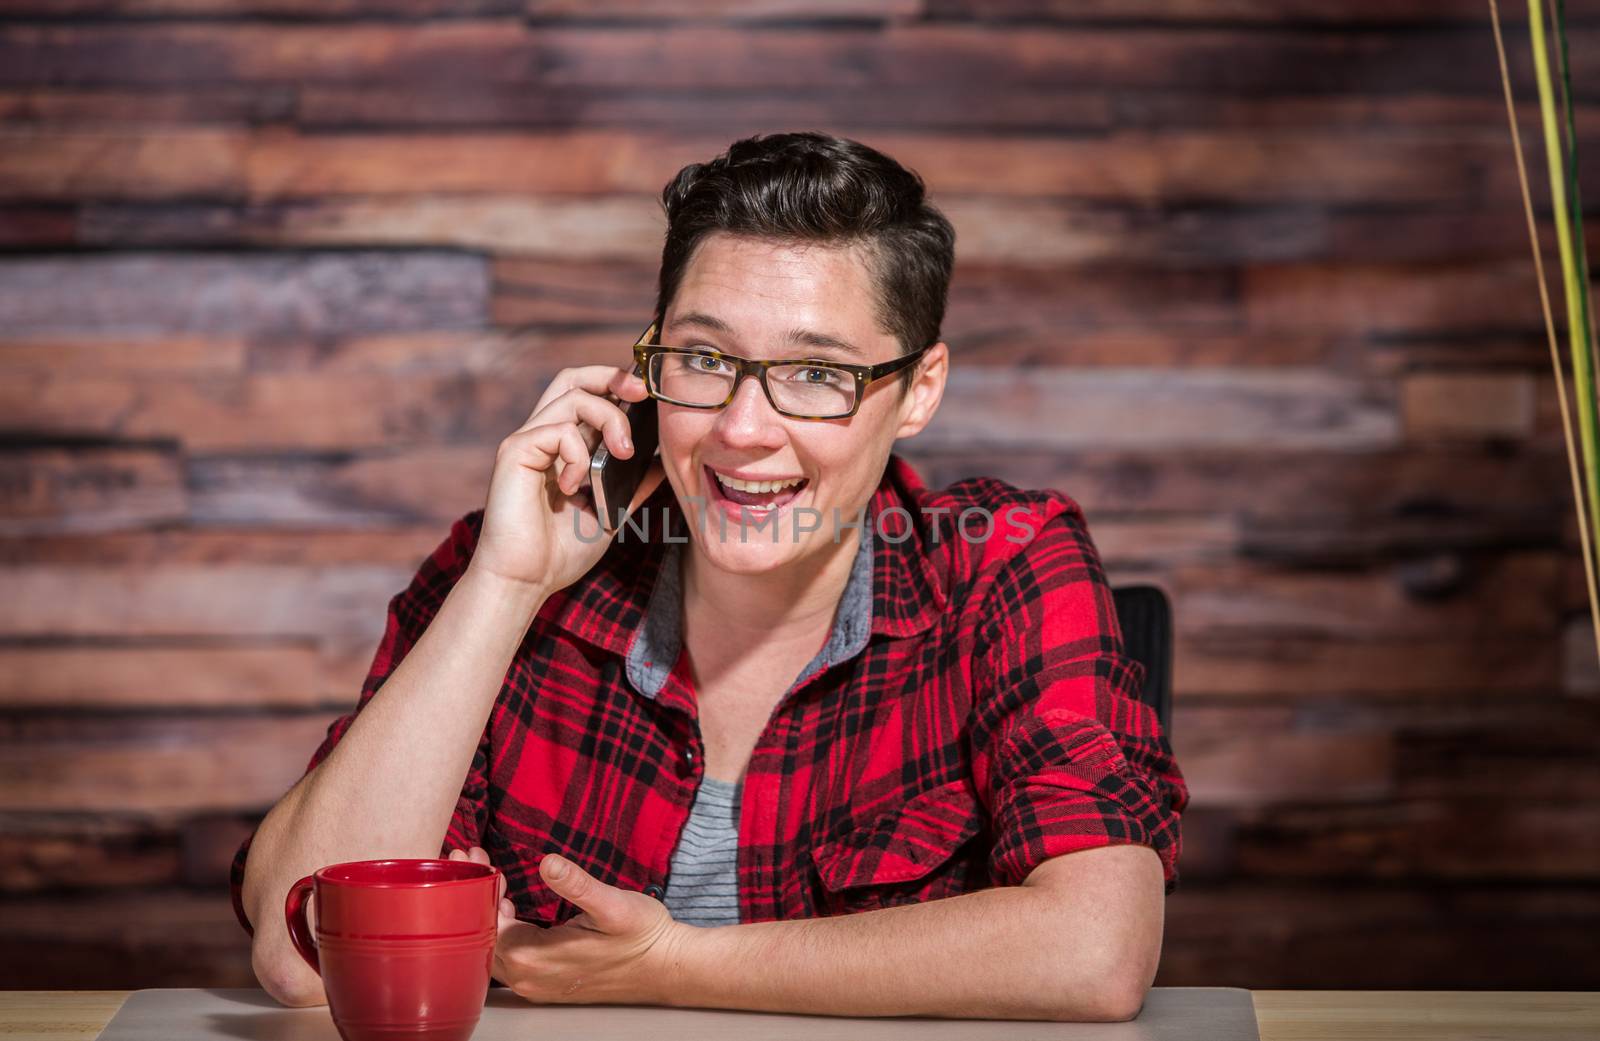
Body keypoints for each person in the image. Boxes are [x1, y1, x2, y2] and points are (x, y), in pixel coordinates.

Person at [231, 131, 1187, 1022]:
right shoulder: (519, 561)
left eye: (818, 375)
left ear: (917, 390)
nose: (740, 429)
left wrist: (669, 963)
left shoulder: (1007, 558)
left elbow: (1094, 949)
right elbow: (301, 953)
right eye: (704, 357)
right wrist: (508, 584)